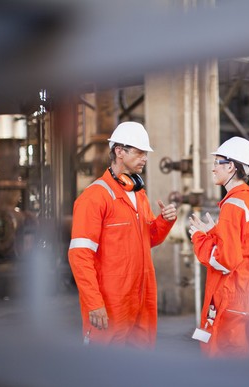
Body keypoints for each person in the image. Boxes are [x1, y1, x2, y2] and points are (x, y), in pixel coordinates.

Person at [68, 121, 177, 349]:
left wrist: (164, 222)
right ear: (119, 151)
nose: (145, 158)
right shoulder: (94, 198)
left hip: (142, 301)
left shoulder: (139, 196)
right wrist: (94, 302)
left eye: (145, 153)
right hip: (110, 305)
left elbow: (149, 239)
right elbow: (80, 256)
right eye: (139, 152)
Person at [188, 136, 249, 358]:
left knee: (228, 370)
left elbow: (225, 260)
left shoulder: (233, 204)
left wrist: (200, 238)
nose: (213, 169)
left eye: (216, 163)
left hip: (233, 303)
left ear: (230, 166)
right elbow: (248, 246)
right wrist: (215, 232)